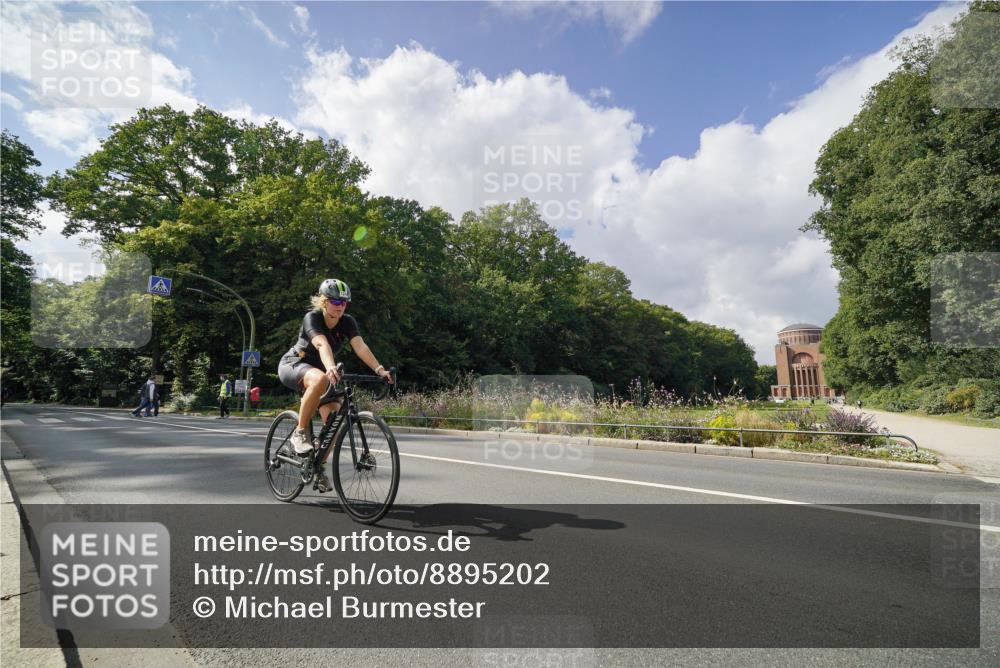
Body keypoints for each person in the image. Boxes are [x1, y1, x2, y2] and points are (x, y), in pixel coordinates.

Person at [277, 279, 394, 493]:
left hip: (323, 372)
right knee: (320, 378)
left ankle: (317, 467)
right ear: (323, 302)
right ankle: (300, 432)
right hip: (295, 364)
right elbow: (321, 344)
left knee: (333, 424)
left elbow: (360, 346)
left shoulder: (347, 322)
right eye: (334, 301)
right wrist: (330, 367)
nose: (340, 306)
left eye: (344, 302)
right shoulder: (312, 318)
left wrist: (380, 370)